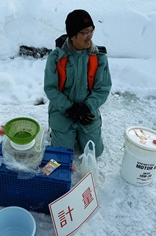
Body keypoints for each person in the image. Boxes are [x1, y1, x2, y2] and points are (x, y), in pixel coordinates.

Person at [44, 9, 112, 157]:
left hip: (87, 112)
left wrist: (87, 108)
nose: (89, 37)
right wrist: (70, 109)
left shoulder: (98, 57)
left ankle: (79, 133)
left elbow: (103, 88)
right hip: (63, 111)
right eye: (84, 32)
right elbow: (51, 89)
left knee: (95, 153)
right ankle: (58, 131)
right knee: (62, 154)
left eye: (91, 31)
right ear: (72, 35)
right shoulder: (56, 57)